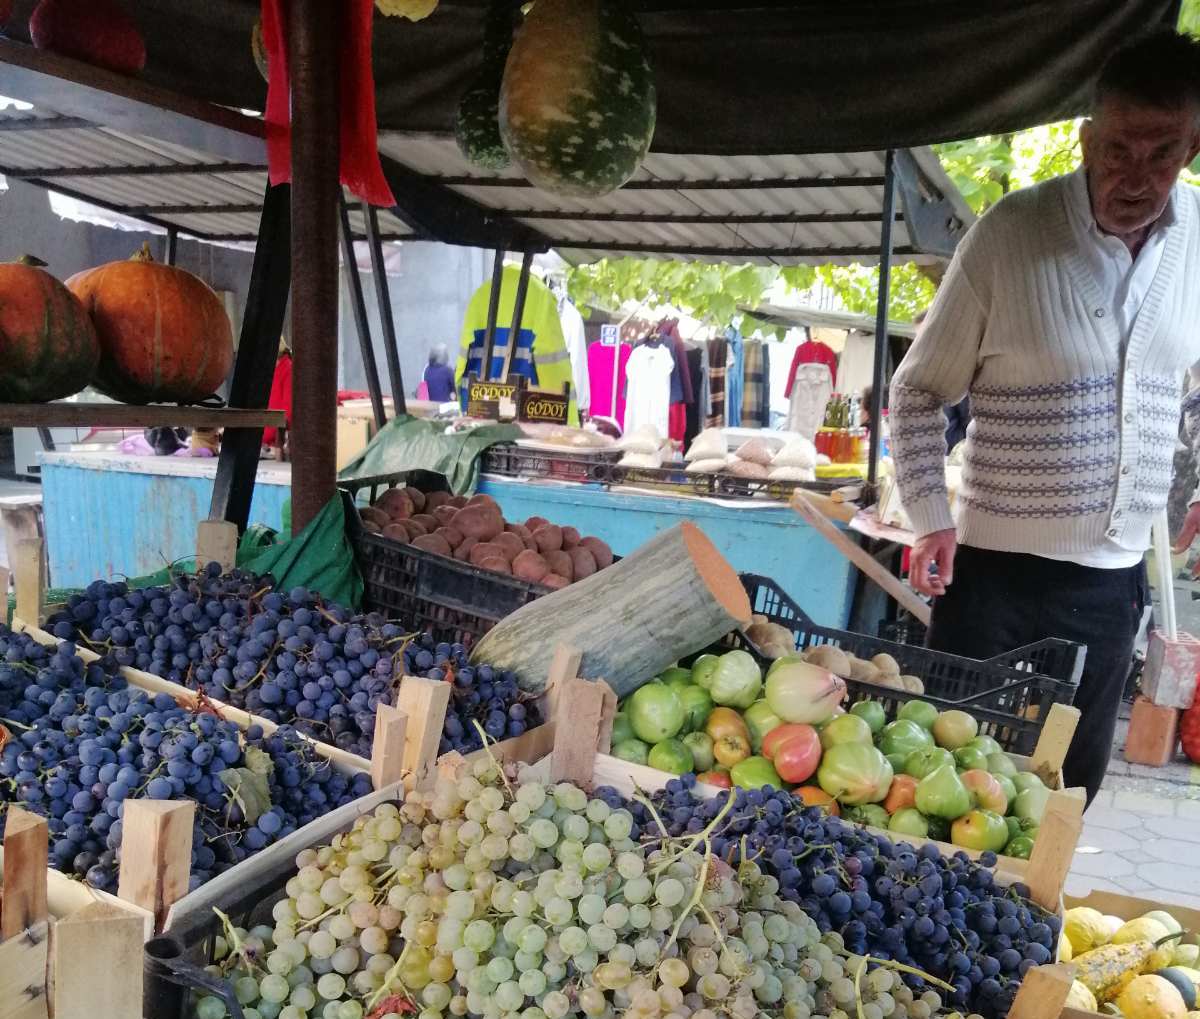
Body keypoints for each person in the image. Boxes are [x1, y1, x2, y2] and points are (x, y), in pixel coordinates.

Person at [888, 29, 1200, 807]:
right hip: (994, 572)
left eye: (1161, 154)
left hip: (1113, 581)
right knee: (941, 776)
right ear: (1087, 136)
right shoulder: (1011, 234)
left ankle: (1033, 920)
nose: (1137, 175)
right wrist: (930, 515)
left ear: (1192, 149)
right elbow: (919, 390)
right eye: (1120, 148)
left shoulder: (1198, 240)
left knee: (1064, 790)